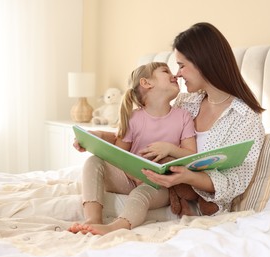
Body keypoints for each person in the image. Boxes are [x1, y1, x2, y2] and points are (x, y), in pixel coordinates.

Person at [142, 22, 265, 216]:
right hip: (160, 189)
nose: (177, 74)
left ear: (203, 62)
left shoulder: (245, 117)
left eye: (182, 65)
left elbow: (234, 181)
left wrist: (189, 177)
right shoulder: (185, 102)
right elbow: (151, 132)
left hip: (199, 205)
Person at [68, 62, 197, 235]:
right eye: (166, 71)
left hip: (159, 185)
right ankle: (93, 219)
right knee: (93, 161)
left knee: (141, 193)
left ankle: (116, 226)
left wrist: (169, 148)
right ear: (146, 83)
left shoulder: (183, 117)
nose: (175, 74)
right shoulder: (134, 118)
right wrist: (131, 174)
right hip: (128, 179)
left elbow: (191, 154)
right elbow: (118, 155)